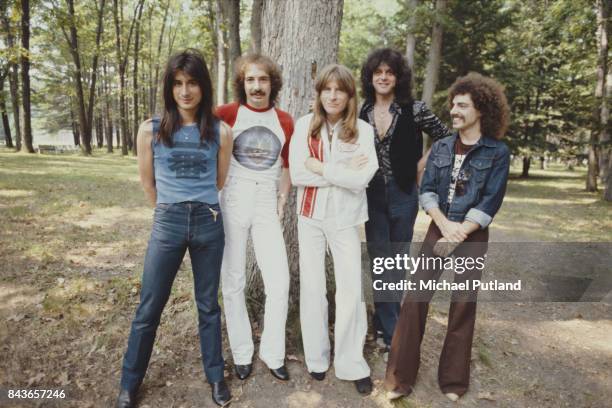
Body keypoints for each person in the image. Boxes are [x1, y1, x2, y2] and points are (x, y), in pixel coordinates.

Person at [116, 49, 233, 408]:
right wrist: (169, 211)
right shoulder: (150, 129)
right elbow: (147, 183)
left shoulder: (220, 131)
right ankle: (129, 384)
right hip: (167, 222)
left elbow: (219, 179)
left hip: (208, 223)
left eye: (192, 82)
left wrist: (195, 208)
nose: (185, 91)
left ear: (203, 87)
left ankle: (216, 376)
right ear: (169, 87)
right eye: (178, 83)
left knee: (208, 306)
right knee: (149, 307)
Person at [385, 72, 511, 402]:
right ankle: (399, 378)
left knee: (463, 305)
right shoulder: (440, 146)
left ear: (480, 110)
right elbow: (426, 190)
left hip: (472, 234)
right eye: (453, 104)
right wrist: (442, 223)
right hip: (439, 228)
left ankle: (454, 382)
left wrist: (459, 233)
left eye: (462, 105)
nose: (454, 110)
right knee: (414, 300)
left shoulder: (497, 152)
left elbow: (490, 200)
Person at [289, 64, 379, 395]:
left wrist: (324, 167)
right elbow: (298, 174)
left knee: (351, 291)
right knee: (313, 288)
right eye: (327, 89)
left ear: (349, 95)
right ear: (319, 94)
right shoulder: (304, 127)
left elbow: (361, 180)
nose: (332, 95)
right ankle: (316, 358)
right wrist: (340, 171)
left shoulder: (363, 132)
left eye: (339, 89)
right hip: (310, 216)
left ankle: (351, 362)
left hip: (346, 220)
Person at [359, 48, 452, 359]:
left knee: (395, 263)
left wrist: (421, 165)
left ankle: (389, 332)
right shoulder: (362, 111)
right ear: (370, 78)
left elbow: (445, 137)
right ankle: (385, 324)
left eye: (389, 72)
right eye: (378, 72)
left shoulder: (415, 109)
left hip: (403, 194)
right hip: (370, 195)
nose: (384, 77)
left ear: (398, 77)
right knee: (379, 260)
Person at [216, 54, 293, 382]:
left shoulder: (285, 120)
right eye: (250, 80)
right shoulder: (226, 114)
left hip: (265, 201)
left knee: (279, 279)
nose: (257, 86)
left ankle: (273, 353)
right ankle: (242, 352)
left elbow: (287, 166)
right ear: (242, 83)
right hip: (232, 196)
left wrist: (283, 196)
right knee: (233, 279)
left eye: (263, 80)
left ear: (272, 83)